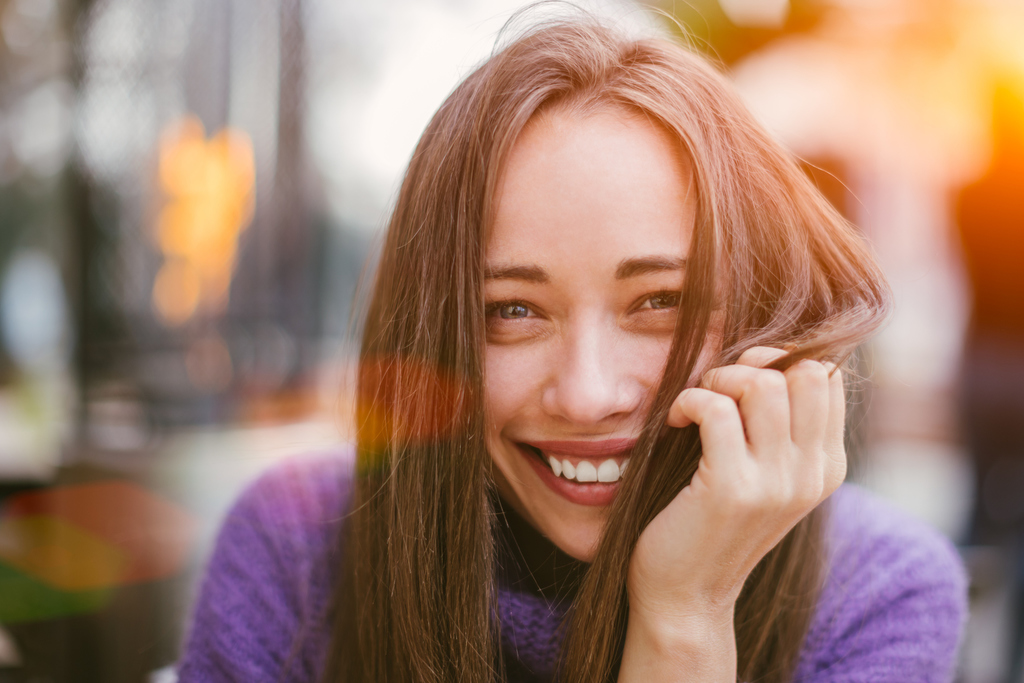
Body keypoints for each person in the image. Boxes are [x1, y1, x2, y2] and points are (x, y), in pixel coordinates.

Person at [177, 17, 967, 683]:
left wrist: (686, 615)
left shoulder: (876, 590)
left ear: (767, 322)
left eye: (661, 303)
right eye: (512, 310)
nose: (587, 394)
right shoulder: (296, 550)